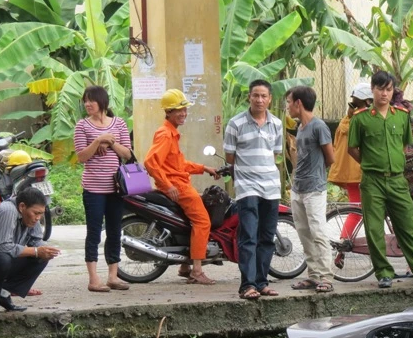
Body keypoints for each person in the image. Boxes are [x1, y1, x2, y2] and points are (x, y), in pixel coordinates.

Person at [347, 71, 413, 289]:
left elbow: (404, 146)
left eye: (388, 89)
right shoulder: (360, 118)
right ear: (372, 90)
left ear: (392, 91)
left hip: (397, 180)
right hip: (372, 181)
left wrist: (392, 164)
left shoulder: (402, 115)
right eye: (379, 89)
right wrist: (371, 164)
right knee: (374, 229)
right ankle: (384, 273)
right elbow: (352, 149)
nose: (384, 94)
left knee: (408, 226)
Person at [144, 89, 220, 285]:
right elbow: (151, 162)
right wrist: (167, 185)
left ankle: (185, 266)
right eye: (178, 110)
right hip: (178, 186)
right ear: (168, 112)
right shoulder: (165, 134)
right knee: (203, 222)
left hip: (180, 182)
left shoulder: (171, 133)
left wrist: (204, 168)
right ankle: (197, 270)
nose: (183, 113)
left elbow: (179, 164)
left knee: (190, 222)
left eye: (184, 109)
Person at [223, 80, 283, 300]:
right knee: (248, 235)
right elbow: (230, 157)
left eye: (264, 96)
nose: (259, 100)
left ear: (269, 99)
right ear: (249, 97)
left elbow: (275, 153)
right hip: (247, 187)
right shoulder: (235, 123)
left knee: (267, 237)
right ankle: (247, 285)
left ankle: (262, 282)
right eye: (255, 95)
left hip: (271, 188)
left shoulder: (276, 123)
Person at [0, 187, 60, 316]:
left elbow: (36, 241)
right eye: (36, 213)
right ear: (22, 206)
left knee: (41, 257)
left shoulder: (31, 215)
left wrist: (46, 250)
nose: (38, 218)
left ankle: (4, 293)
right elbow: (3, 247)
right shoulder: (7, 211)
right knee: (4, 258)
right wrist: (37, 250)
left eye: (41, 213)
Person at [74, 85, 133, 293]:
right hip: (93, 188)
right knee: (94, 233)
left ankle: (113, 276)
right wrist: (98, 140)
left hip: (116, 188)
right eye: (85, 101)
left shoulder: (119, 123)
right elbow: (82, 156)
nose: (87, 104)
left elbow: (127, 153)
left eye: (91, 100)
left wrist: (110, 142)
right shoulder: (82, 126)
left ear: (103, 102)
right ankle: (93, 279)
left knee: (115, 231)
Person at [285, 86, 335, 293]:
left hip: (314, 189)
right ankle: (313, 276)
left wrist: (316, 174)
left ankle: (326, 276)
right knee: (304, 233)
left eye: (289, 102)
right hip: (298, 188)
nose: (287, 106)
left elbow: (330, 157)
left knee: (318, 232)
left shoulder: (318, 126)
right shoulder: (301, 127)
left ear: (298, 103)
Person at [327, 83, 372, 242]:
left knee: (357, 210)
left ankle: (344, 243)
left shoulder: (344, 122)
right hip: (364, 172)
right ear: (368, 102)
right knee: (364, 210)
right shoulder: (364, 122)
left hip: (350, 175)